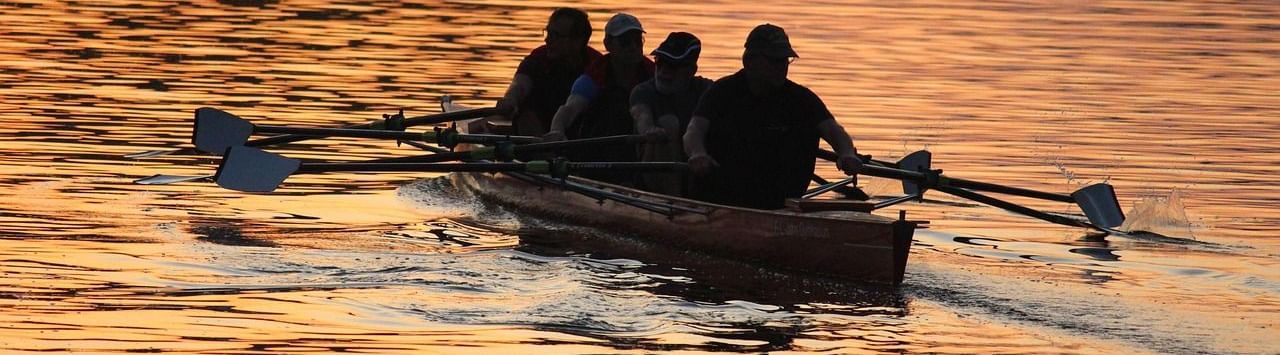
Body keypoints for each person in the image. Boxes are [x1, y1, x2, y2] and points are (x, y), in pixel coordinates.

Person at [683, 24, 862, 210]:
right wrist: (697, 154)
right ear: (749, 61)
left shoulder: (801, 99)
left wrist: (846, 153)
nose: (782, 67)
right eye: (774, 60)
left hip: (781, 201)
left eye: (785, 60)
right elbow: (694, 130)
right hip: (723, 199)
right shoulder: (722, 92)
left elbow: (833, 130)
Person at [544, 13, 655, 184]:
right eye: (625, 41)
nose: (633, 47)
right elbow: (569, 109)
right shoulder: (595, 75)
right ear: (608, 44)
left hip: (638, 146)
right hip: (598, 149)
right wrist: (557, 130)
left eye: (637, 40)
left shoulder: (652, 72)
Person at [488, 8, 600, 136]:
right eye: (547, 33)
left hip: (577, 130)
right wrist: (510, 99)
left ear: (577, 41)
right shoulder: (539, 57)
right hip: (536, 133)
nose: (547, 40)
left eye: (555, 35)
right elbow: (520, 85)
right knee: (527, 105)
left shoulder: (597, 64)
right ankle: (538, 151)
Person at [630, 32, 712, 196]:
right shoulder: (643, 91)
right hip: (649, 175)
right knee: (669, 123)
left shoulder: (707, 90)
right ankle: (673, 202)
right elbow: (641, 115)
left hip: (695, 170)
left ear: (692, 70)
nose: (663, 71)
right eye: (659, 63)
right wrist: (649, 130)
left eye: (672, 66)